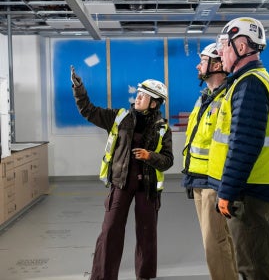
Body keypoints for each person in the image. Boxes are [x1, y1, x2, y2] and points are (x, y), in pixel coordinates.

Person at [71, 67, 174, 280]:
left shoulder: (162, 128)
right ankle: (102, 277)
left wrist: (149, 156)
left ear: (154, 103)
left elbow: (168, 161)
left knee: (147, 236)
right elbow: (88, 110)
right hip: (121, 183)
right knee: (110, 231)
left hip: (147, 188)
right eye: (138, 93)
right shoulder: (119, 117)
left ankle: (144, 276)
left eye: (144, 95)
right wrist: (79, 88)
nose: (138, 97)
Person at [208, 17, 269, 280]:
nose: (220, 53)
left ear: (241, 47)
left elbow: (243, 145)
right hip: (251, 189)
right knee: (257, 259)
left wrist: (227, 192)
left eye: (225, 46)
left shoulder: (250, 85)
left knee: (252, 266)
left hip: (248, 193)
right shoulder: (247, 81)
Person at [181, 43, 238, 280]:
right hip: (198, 179)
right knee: (217, 240)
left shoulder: (228, 98)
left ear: (216, 65)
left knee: (214, 243)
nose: (197, 65)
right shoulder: (205, 97)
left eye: (202, 60)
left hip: (214, 181)